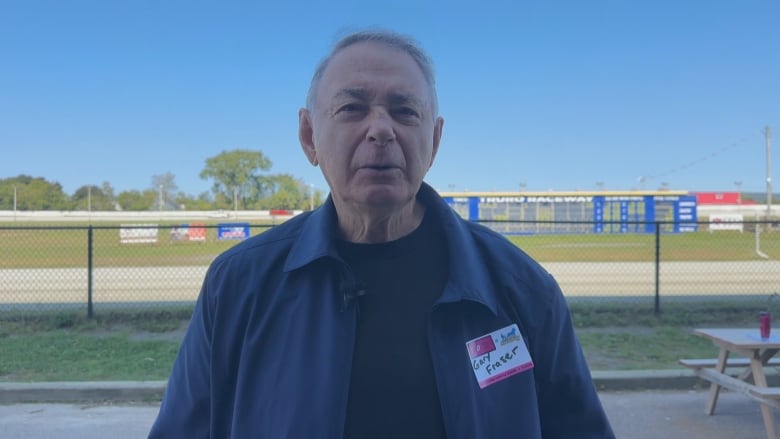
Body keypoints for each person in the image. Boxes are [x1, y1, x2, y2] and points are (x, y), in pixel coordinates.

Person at [149, 29, 615, 438]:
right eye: (352, 108)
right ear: (309, 137)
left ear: (434, 140)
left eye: (404, 111)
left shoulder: (520, 288)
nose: (380, 130)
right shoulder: (239, 287)